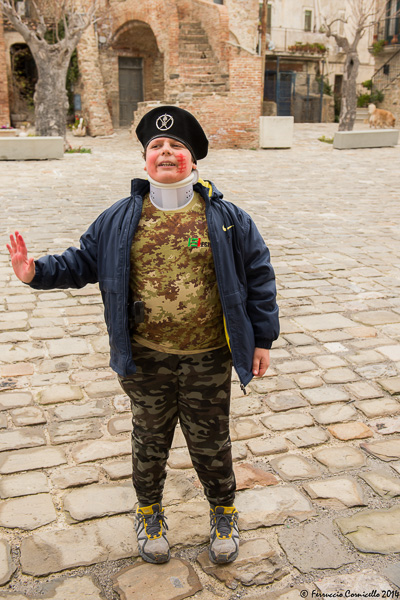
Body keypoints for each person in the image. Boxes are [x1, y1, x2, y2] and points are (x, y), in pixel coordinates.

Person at [6, 105, 279, 566]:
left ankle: (224, 510)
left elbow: (259, 276)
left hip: (208, 356)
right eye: (157, 146)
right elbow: (81, 261)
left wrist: (263, 339)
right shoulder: (118, 219)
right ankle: (149, 511)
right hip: (145, 357)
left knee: (211, 441)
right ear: (144, 160)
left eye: (177, 146)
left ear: (194, 160)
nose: (166, 152)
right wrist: (35, 272)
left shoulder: (227, 217)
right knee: (148, 440)